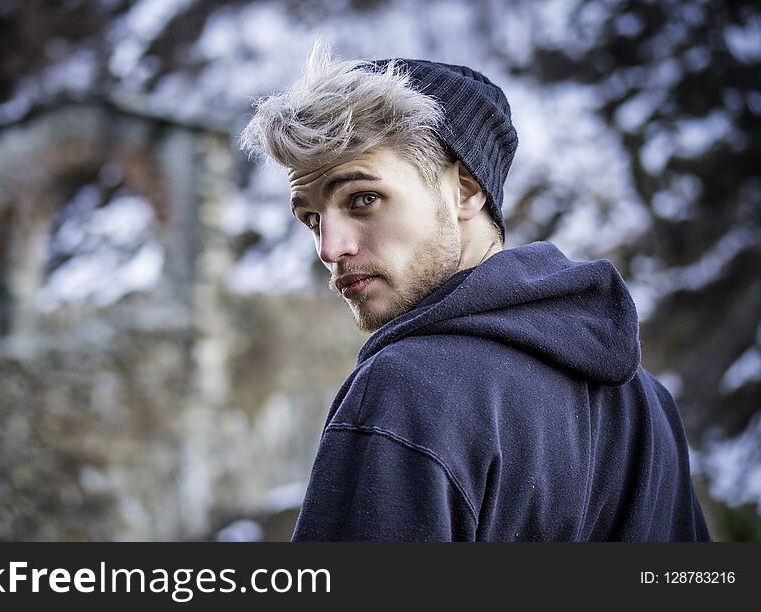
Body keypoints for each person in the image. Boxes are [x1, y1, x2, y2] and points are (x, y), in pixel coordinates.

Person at [240, 43, 711, 541]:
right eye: (311, 218)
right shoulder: (647, 400)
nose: (329, 249)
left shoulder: (407, 389)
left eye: (363, 198)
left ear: (464, 191)